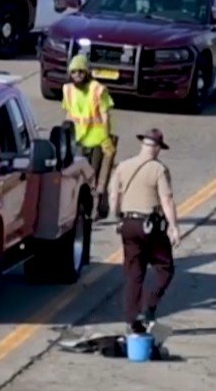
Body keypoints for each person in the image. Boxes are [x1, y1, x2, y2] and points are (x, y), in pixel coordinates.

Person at [109, 128, 182, 335]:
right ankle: (149, 308)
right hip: (150, 225)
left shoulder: (123, 167)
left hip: (128, 224)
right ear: (158, 149)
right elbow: (166, 200)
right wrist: (174, 227)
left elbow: (114, 196)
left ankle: (132, 321)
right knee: (165, 267)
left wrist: (118, 218)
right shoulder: (159, 170)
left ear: (142, 145)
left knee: (134, 274)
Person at [62, 55, 117, 221]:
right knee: (83, 177)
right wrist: (64, 136)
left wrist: (106, 139)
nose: (77, 75)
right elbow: (69, 114)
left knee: (96, 176)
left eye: (81, 71)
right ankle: (98, 208)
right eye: (74, 72)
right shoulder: (68, 90)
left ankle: (96, 210)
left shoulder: (98, 89)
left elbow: (105, 116)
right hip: (78, 141)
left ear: (87, 72)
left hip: (97, 141)